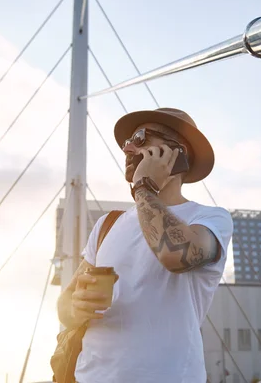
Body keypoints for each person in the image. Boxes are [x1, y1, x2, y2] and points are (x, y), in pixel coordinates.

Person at [57, 108, 233, 383]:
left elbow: (177, 255)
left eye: (140, 138)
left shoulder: (210, 218)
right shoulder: (107, 225)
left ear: (177, 152)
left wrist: (144, 188)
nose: (127, 147)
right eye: (127, 140)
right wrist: (76, 307)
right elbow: (65, 304)